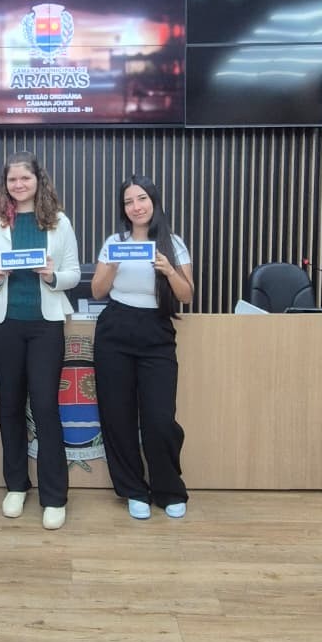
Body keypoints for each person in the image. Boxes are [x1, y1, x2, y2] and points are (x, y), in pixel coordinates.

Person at [0, 151, 81, 530]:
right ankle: (16, 486)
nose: (18, 185)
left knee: (46, 408)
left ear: (38, 180)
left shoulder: (59, 222)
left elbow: (73, 273)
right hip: (2, 327)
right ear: (5, 184)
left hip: (45, 327)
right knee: (10, 407)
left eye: (25, 178)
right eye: (12, 179)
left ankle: (54, 496)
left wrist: (51, 275)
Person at [91, 176, 194, 521]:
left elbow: (186, 295)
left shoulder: (173, 244)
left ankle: (168, 489)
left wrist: (168, 270)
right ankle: (133, 489)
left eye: (141, 199)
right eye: (128, 201)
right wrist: (113, 264)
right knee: (118, 416)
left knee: (159, 419)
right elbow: (97, 291)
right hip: (116, 328)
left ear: (154, 201)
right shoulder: (114, 243)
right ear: (123, 209)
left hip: (156, 331)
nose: (136, 207)